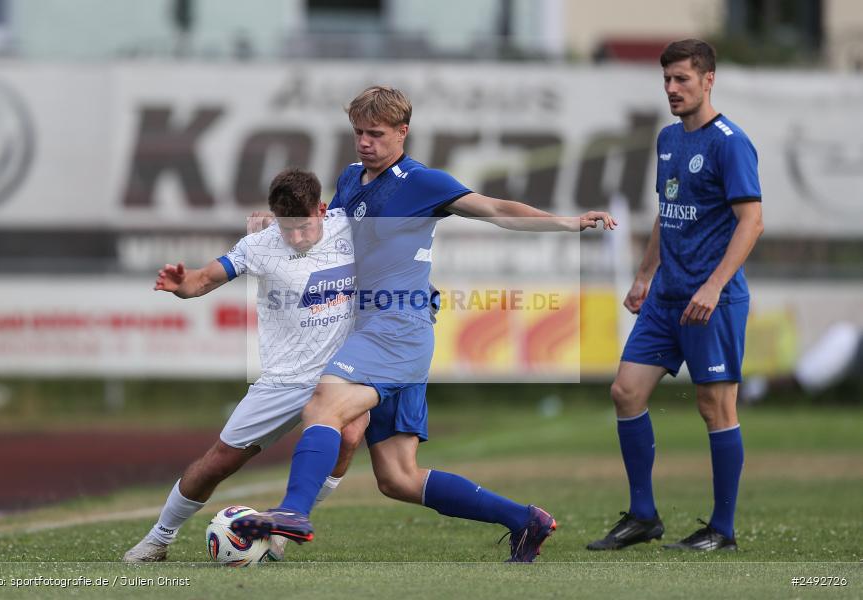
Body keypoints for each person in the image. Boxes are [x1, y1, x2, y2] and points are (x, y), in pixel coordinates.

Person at [231, 85, 617, 563]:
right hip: (371, 329)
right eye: (358, 132)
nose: (364, 142)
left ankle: (292, 513)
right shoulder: (351, 178)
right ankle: (525, 521)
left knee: (322, 405)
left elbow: (496, 209)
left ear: (403, 132)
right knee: (398, 478)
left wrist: (568, 223)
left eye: (376, 133)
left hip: (397, 328)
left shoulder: (421, 181)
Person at [123, 168, 368, 563]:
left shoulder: (348, 227)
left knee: (351, 434)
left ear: (322, 210)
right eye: (288, 230)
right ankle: (157, 539)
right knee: (218, 462)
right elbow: (203, 279)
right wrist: (181, 285)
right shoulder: (260, 245)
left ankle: (288, 523)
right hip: (283, 379)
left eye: (304, 227)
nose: (297, 238)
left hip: (339, 375)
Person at [586, 39, 764, 552]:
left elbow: (751, 222)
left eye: (682, 79)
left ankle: (722, 530)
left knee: (715, 408)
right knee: (625, 392)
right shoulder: (668, 139)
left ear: (708, 80)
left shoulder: (730, 142)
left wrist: (714, 285)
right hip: (666, 297)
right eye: (666, 79)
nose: (671, 89)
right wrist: (644, 274)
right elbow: (671, 213)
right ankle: (644, 516)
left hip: (713, 300)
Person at [740, 321, 863, 403]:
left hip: (847, 343)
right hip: (848, 346)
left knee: (803, 379)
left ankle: (755, 386)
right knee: (804, 378)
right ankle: (754, 386)